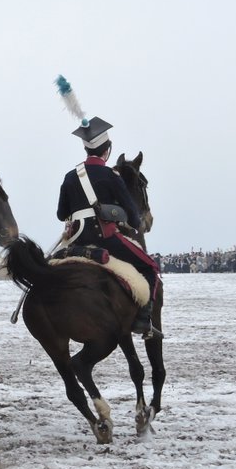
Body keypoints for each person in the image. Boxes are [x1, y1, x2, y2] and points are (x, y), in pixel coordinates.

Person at [56, 116, 162, 339]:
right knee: (150, 267)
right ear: (107, 150)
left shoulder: (69, 176)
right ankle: (144, 321)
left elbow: (60, 214)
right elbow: (133, 218)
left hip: (75, 240)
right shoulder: (111, 176)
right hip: (105, 237)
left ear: (86, 149)